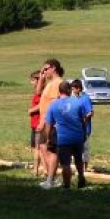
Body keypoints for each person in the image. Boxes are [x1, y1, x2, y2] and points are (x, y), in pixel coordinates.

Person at [43, 79, 91, 189]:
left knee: (65, 163)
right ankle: (81, 178)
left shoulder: (53, 105)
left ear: (59, 91)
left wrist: (48, 138)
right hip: (78, 137)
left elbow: (48, 124)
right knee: (79, 160)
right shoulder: (77, 103)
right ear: (69, 90)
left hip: (63, 138)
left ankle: (67, 186)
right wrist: (84, 134)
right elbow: (83, 120)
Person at [34, 59, 65, 187]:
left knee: (51, 150)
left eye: (46, 69)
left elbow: (53, 105)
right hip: (46, 120)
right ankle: (51, 176)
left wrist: (44, 121)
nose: (44, 72)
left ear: (54, 68)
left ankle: (51, 178)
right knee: (43, 147)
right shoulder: (50, 83)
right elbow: (37, 92)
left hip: (51, 122)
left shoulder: (57, 83)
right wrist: (41, 78)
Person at [68, 77, 94, 171]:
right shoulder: (71, 98)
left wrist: (84, 118)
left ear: (79, 88)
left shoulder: (85, 98)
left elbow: (90, 112)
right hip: (73, 129)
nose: (72, 90)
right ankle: (73, 166)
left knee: (84, 148)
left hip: (84, 129)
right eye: (71, 88)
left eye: (73, 88)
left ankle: (84, 167)